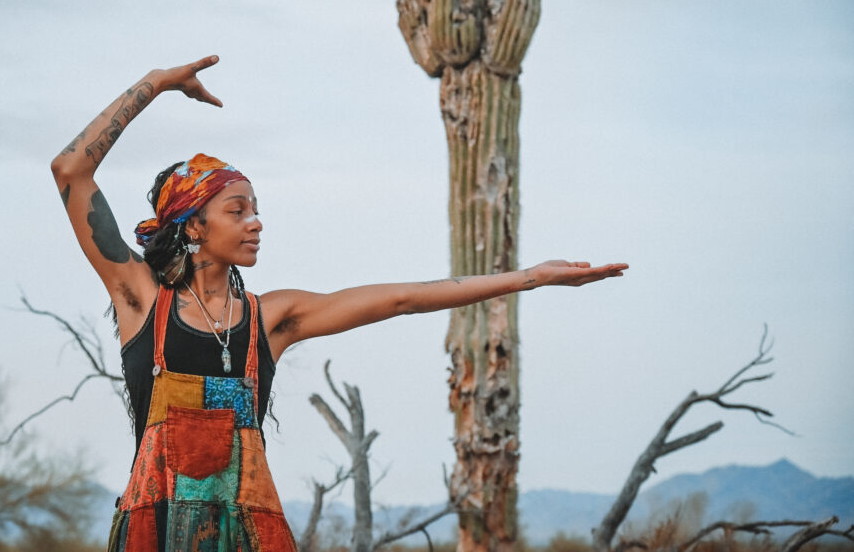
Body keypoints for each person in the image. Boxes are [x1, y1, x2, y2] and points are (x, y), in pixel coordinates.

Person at [50, 55, 628, 552]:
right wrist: (157, 82)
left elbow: (402, 300)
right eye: (237, 210)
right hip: (153, 535)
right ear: (194, 225)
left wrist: (531, 278)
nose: (256, 222)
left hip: (250, 536)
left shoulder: (271, 319)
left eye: (256, 209)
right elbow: (70, 168)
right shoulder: (141, 300)